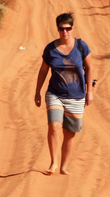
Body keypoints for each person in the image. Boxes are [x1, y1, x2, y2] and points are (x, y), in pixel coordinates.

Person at [34, 12, 94, 175]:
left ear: (72, 28)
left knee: (70, 133)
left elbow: (89, 68)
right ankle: (53, 163)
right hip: (55, 94)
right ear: (58, 29)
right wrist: (37, 91)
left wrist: (90, 92)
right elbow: (43, 70)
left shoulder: (81, 47)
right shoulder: (51, 49)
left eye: (68, 28)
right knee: (54, 126)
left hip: (77, 96)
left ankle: (64, 166)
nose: (65, 32)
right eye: (61, 29)